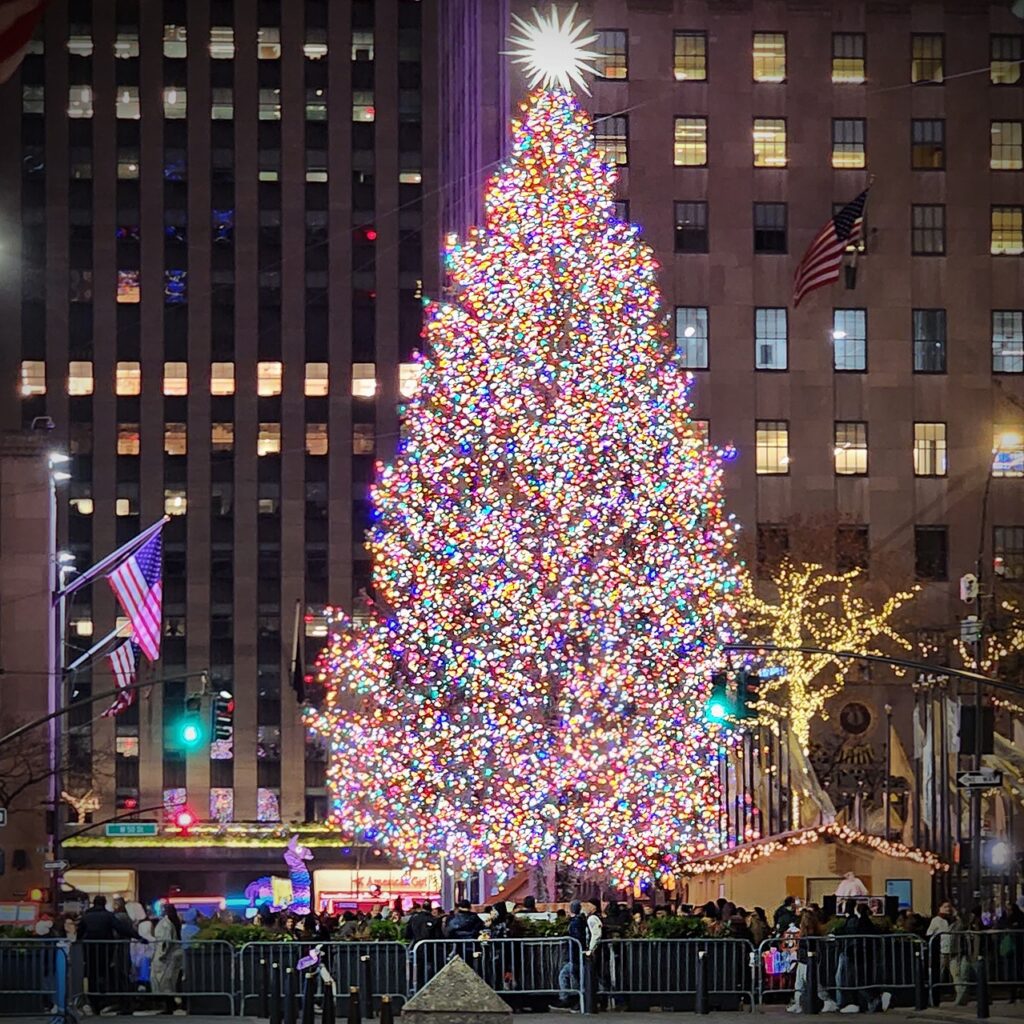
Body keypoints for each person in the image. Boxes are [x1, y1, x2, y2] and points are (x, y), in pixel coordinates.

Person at [78, 894, 147, 1017]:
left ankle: (95, 1004)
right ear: (104, 903)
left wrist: (78, 943)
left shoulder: (86, 916)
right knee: (106, 976)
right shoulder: (108, 916)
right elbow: (122, 929)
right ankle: (106, 999)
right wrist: (139, 937)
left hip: (90, 951)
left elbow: (80, 933)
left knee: (92, 977)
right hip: (106, 951)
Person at [550, 899, 591, 1012]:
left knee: (570, 976)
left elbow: (576, 939)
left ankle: (569, 999)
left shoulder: (575, 923)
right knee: (573, 976)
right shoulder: (582, 921)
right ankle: (572, 999)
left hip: (575, 956)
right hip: (577, 955)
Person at [151, 904, 186, 1015]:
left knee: (165, 982)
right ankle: (173, 1005)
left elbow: (165, 941)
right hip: (175, 955)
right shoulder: (175, 921)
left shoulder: (165, 923)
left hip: (167, 957)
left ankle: (169, 1006)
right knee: (172, 982)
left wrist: (161, 955)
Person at [927, 900, 955, 1002]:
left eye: (949, 906)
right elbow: (929, 933)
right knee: (941, 973)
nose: (948, 909)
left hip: (952, 949)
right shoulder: (936, 920)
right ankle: (938, 993)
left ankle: (953, 992)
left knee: (954, 973)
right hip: (943, 949)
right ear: (940, 908)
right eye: (945, 907)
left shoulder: (953, 920)